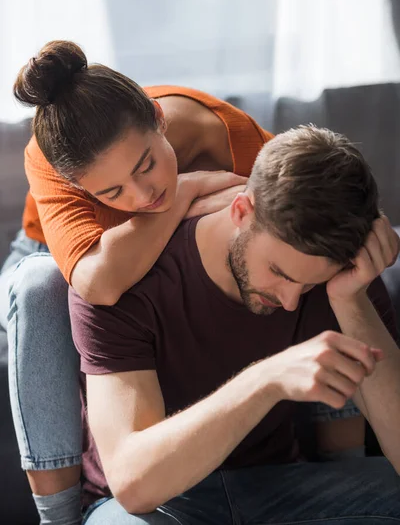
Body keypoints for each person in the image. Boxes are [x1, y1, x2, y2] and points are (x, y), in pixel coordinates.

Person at [0, 39, 273, 525]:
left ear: (158, 118)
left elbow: (324, 205)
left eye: (146, 164)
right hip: (50, 257)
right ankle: (59, 518)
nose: (143, 194)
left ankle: (335, 467)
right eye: (110, 192)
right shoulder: (51, 153)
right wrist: (186, 190)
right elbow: (95, 282)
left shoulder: (236, 139)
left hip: (154, 259)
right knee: (42, 285)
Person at [70, 125, 400, 525]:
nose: (291, 300)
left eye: (309, 283)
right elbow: (134, 485)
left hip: (281, 486)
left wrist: (350, 299)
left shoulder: (345, 275)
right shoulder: (128, 279)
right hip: (160, 504)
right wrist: (266, 379)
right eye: (279, 271)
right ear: (242, 211)